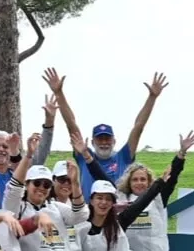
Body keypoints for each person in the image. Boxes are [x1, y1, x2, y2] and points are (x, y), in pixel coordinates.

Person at [45, 67, 168, 200]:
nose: (104, 143)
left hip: (119, 214)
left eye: (107, 139)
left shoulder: (124, 157)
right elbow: (71, 124)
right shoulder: (84, 155)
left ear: (114, 141)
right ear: (92, 142)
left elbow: (138, 127)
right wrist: (59, 93)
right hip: (89, 215)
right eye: (100, 139)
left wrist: (152, 97)